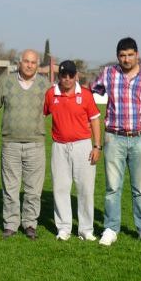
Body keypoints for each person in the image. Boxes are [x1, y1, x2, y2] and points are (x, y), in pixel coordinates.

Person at [91, 37, 141, 247]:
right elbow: (91, 93)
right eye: (122, 55)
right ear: (118, 56)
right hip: (114, 137)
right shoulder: (108, 74)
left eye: (130, 55)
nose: (126, 59)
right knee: (112, 188)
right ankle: (110, 228)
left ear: (137, 54)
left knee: (140, 189)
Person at [0, 49, 50, 239]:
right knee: (10, 188)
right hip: (10, 144)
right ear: (20, 62)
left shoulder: (45, 85)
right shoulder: (6, 81)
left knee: (34, 189)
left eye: (33, 62)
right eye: (26, 61)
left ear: (37, 64)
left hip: (36, 144)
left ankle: (30, 224)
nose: (29, 65)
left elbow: (56, 108)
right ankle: (11, 224)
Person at [44, 60, 102, 241]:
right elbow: (41, 115)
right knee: (60, 188)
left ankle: (86, 229)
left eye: (70, 75)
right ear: (59, 76)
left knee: (85, 189)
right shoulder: (51, 94)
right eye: (63, 75)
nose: (67, 79)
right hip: (59, 147)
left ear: (76, 75)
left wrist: (97, 146)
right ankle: (63, 228)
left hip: (83, 146)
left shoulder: (85, 95)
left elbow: (95, 120)